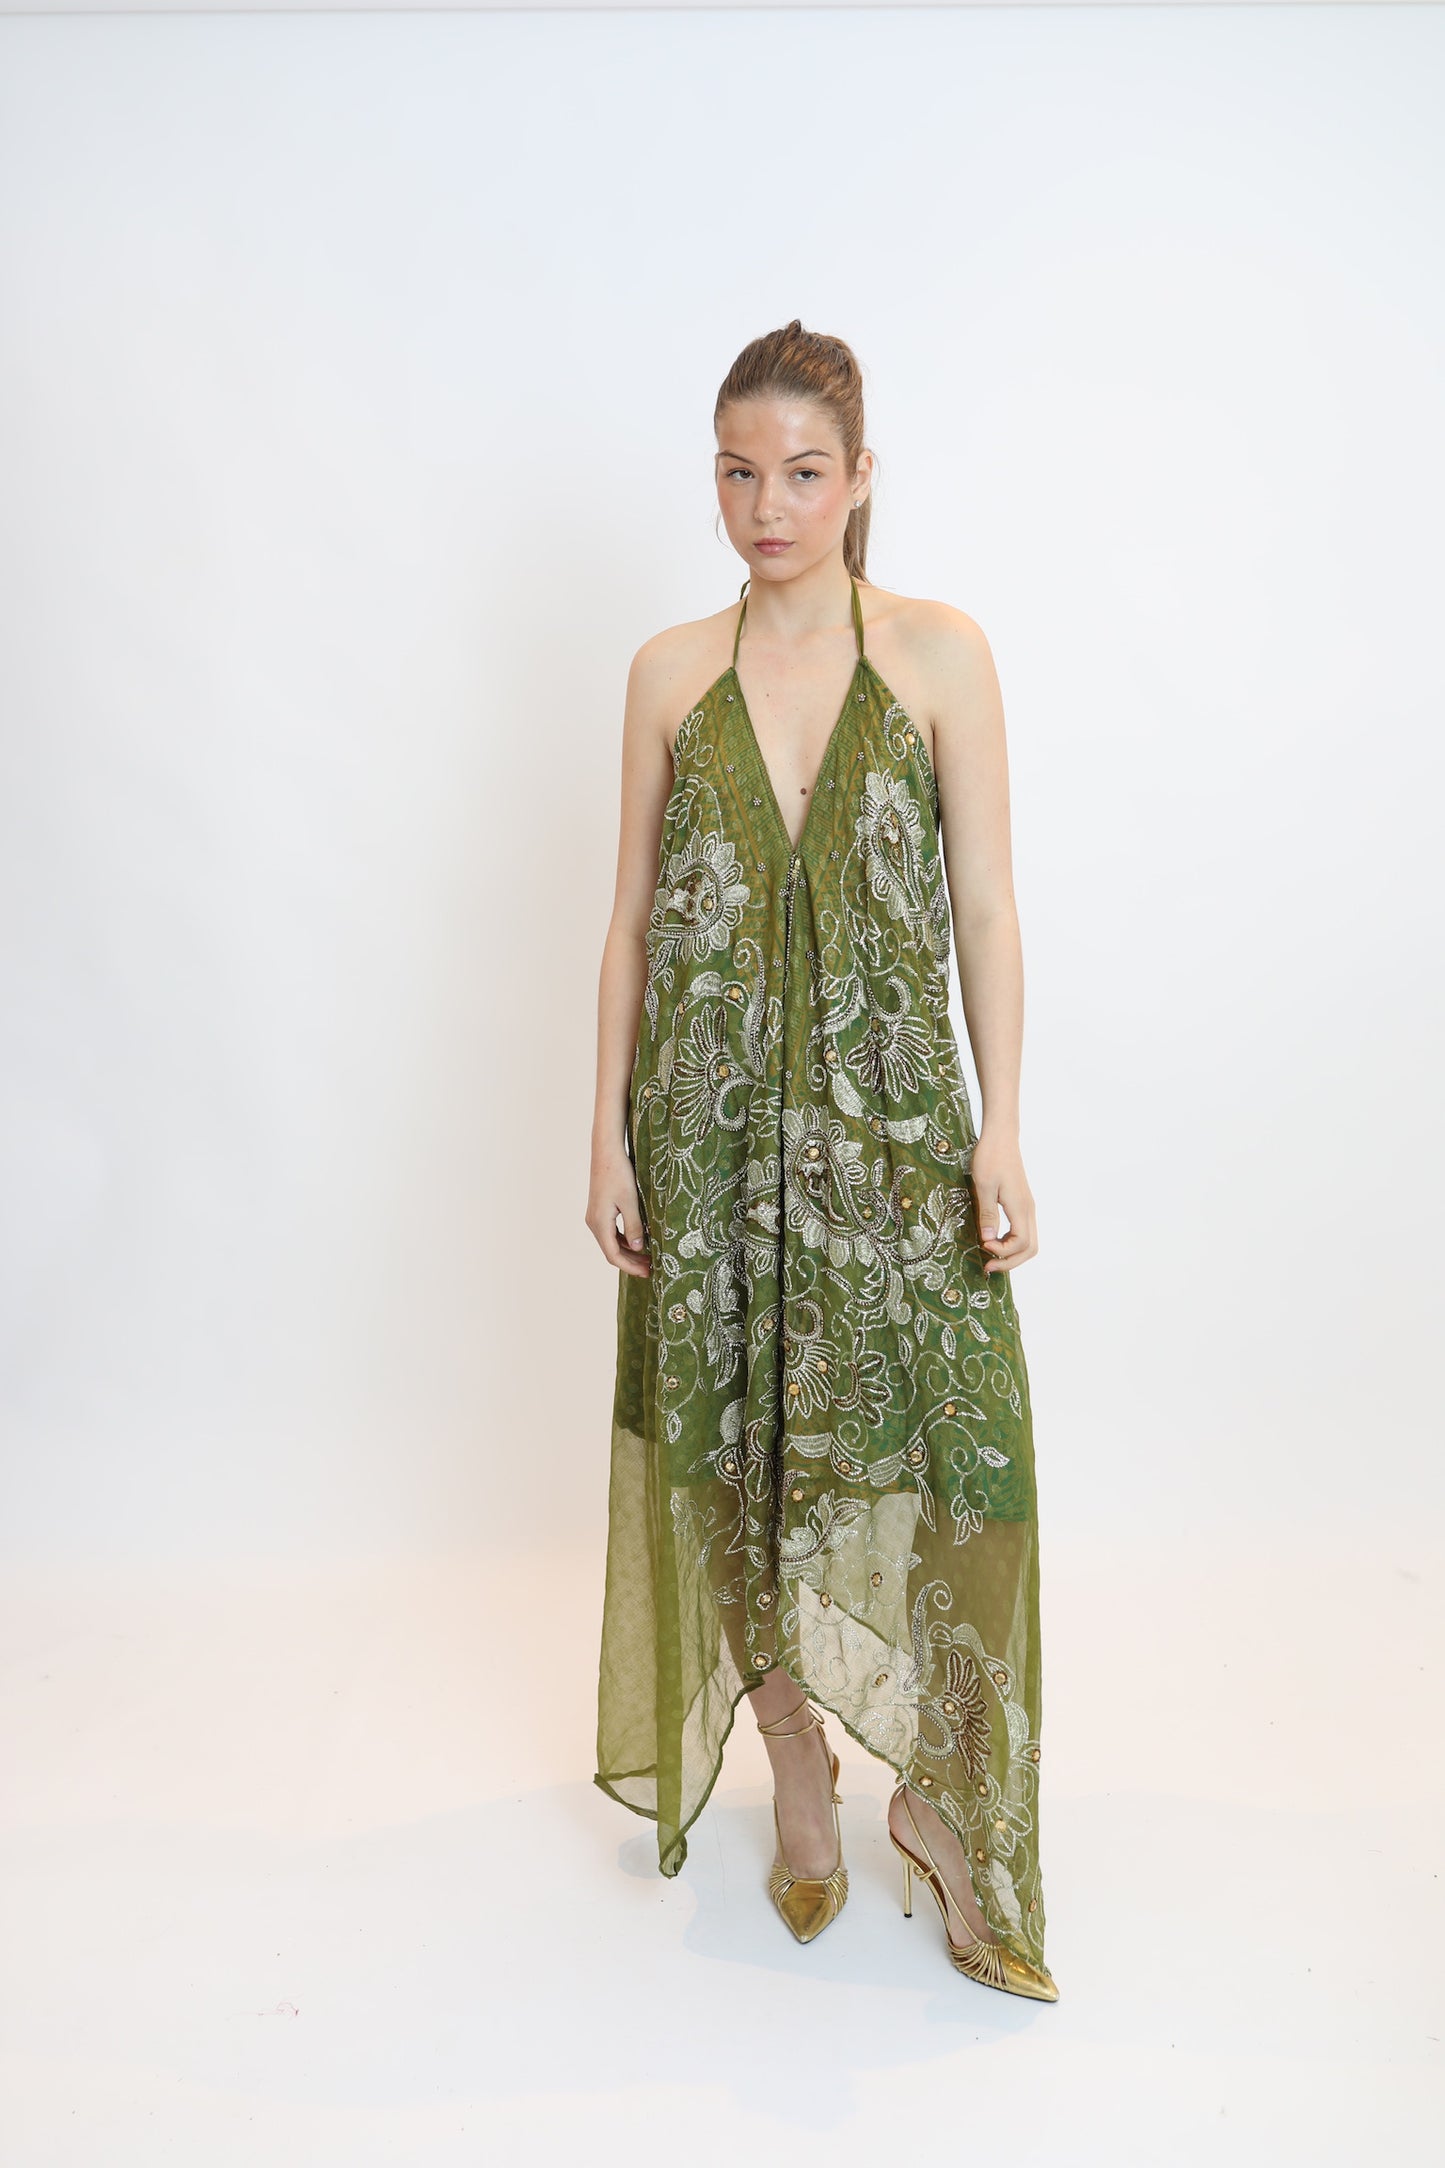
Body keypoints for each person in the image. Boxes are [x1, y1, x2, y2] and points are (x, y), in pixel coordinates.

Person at [588, 319, 1058, 2002]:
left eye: (800, 471)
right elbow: (628, 923)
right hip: (705, 1134)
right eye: (738, 471)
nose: (766, 505)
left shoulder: (936, 654)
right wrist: (604, 1134)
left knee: (958, 1458)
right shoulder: (667, 672)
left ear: (859, 478)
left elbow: (986, 907)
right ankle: (794, 1759)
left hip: (891, 1130)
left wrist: (999, 1125)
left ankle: (941, 1793)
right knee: (730, 1456)